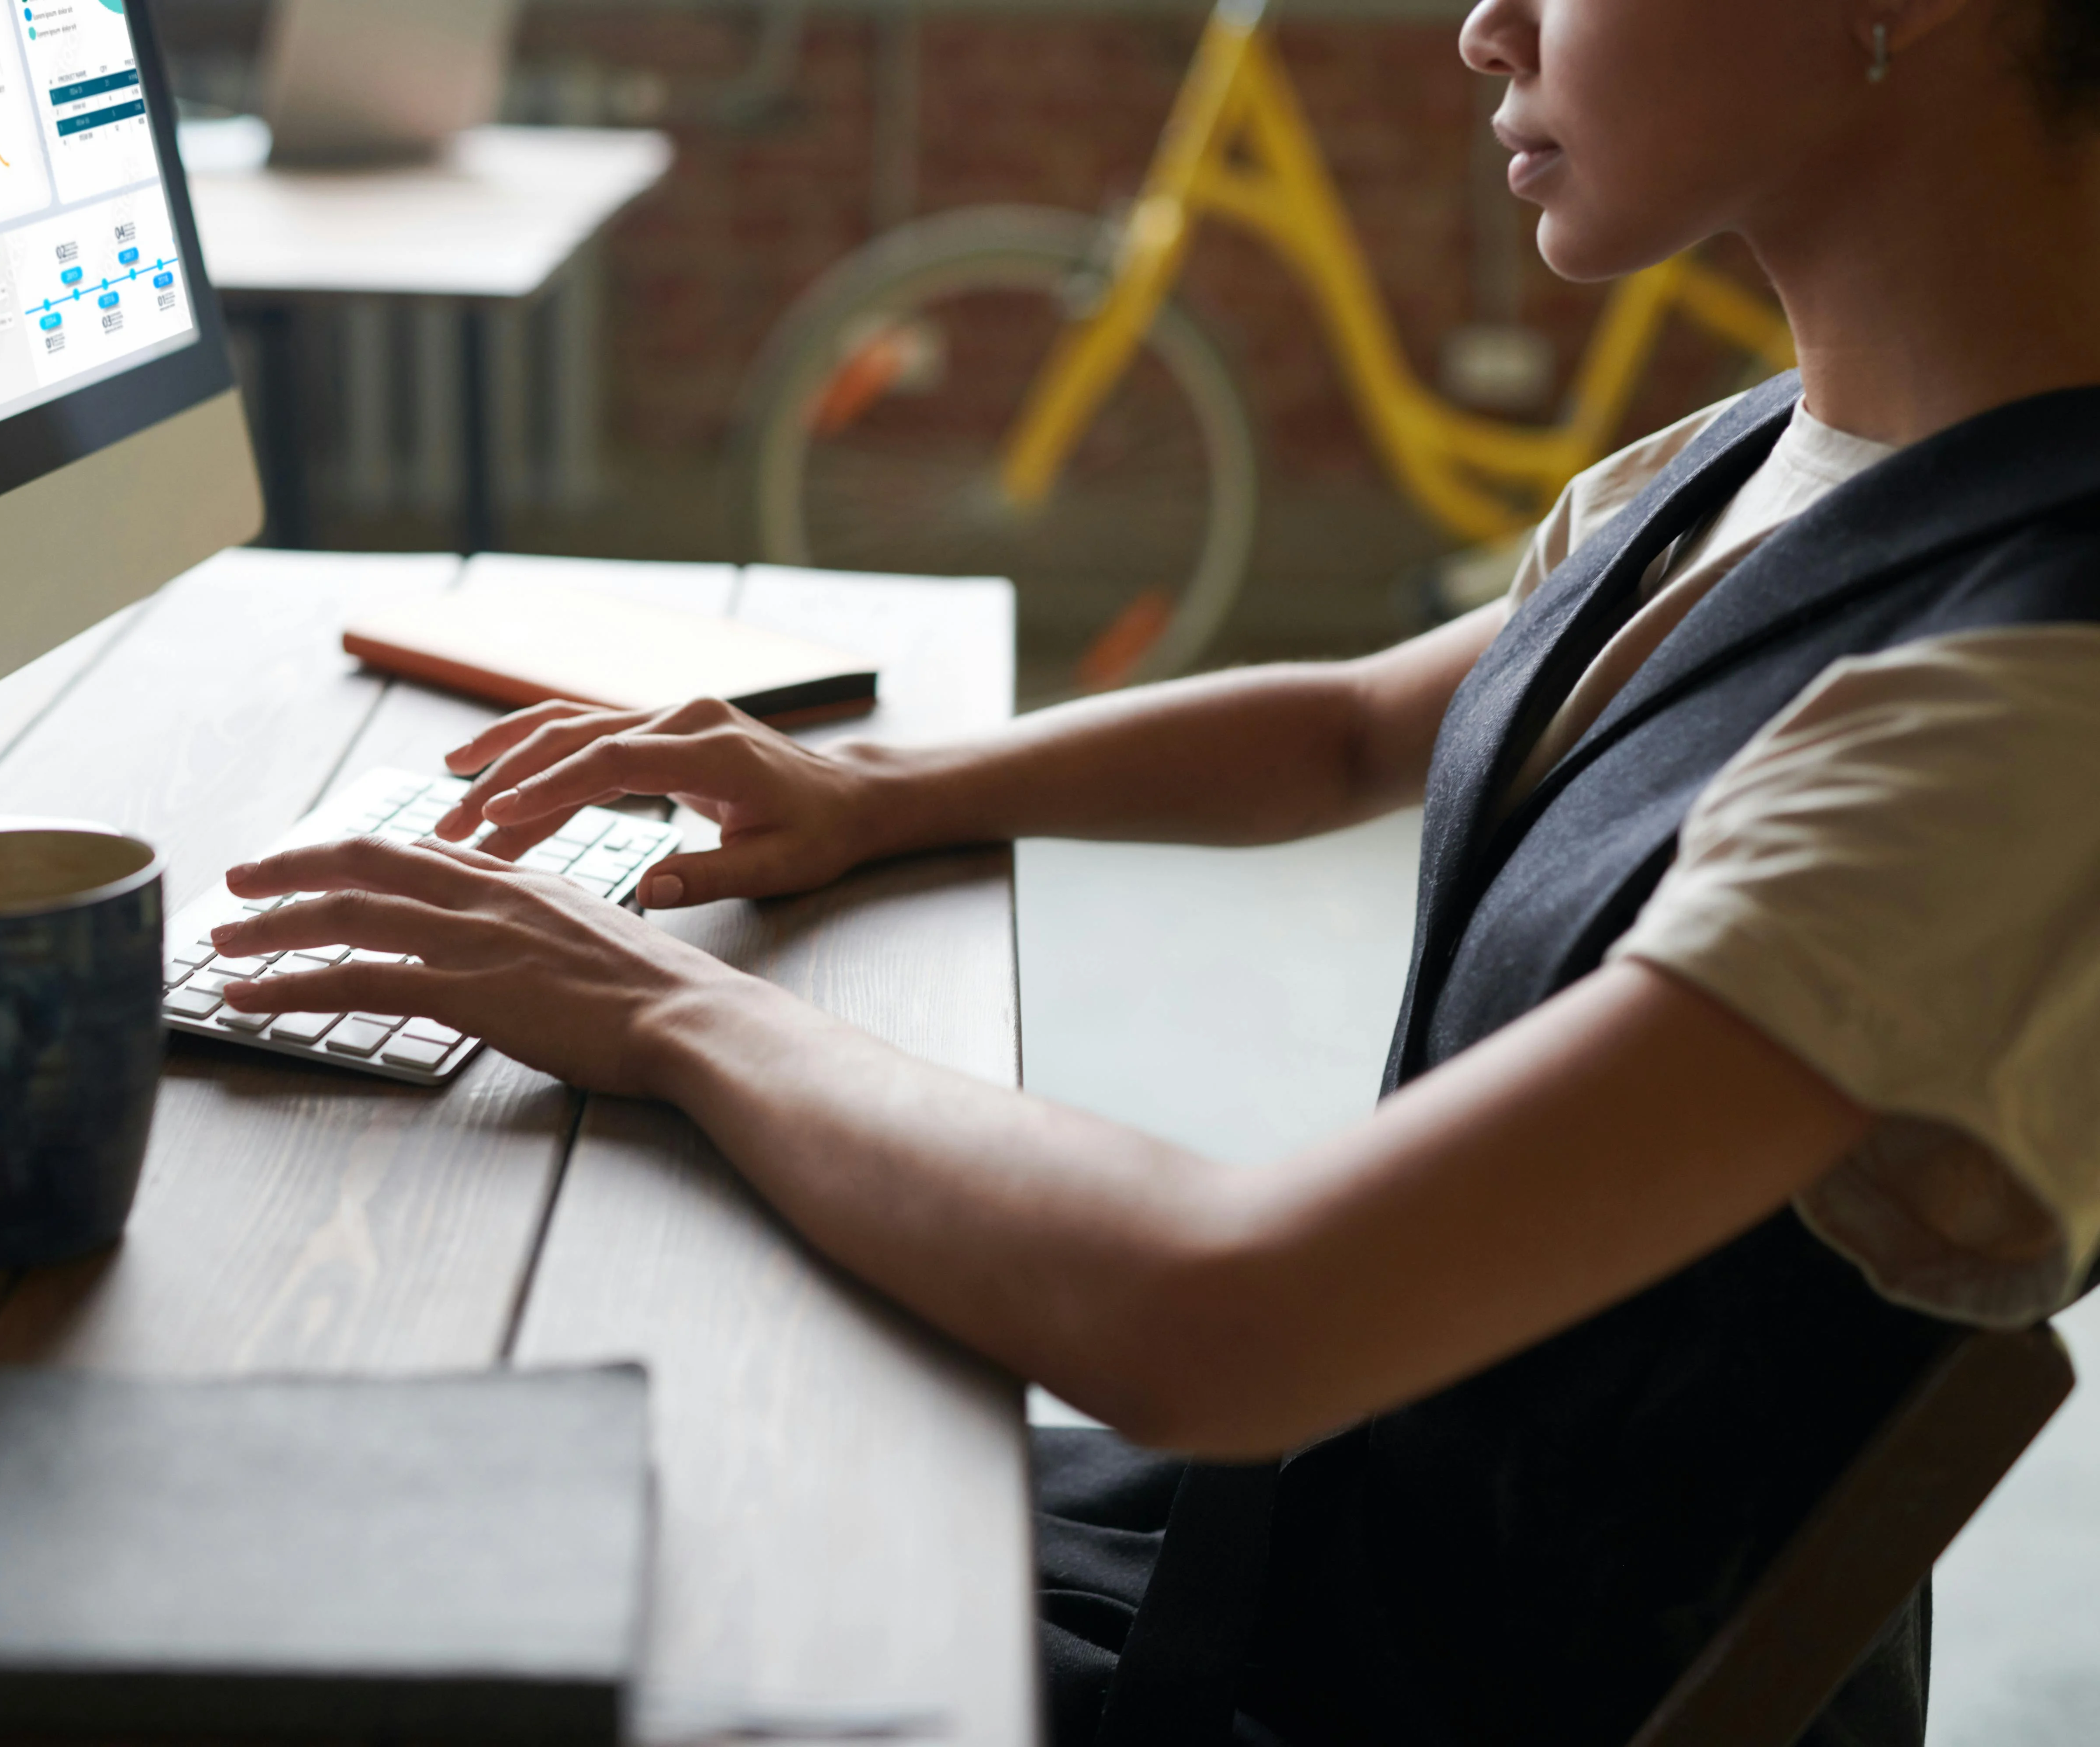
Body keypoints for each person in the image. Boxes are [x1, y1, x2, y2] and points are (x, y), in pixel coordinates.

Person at [213, 0, 2100, 1738]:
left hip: (1377, 1693)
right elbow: (1361, 726)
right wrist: (869, 786)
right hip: (1301, 1546)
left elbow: (1233, 1319)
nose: (1483, 26)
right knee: (523, 1487)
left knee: (376, 1615)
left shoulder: (2023, 706)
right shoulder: (1778, 450)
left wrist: (650, 1004)